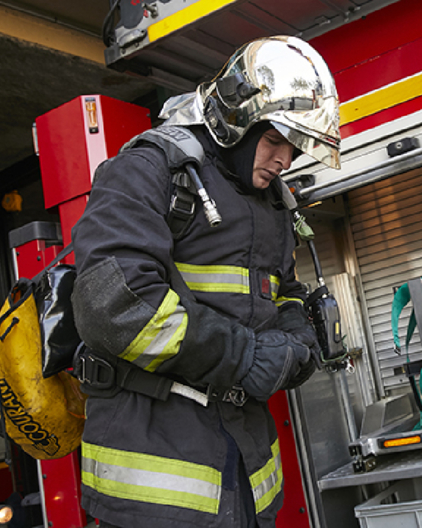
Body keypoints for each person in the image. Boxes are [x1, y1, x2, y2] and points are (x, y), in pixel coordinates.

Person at [69, 35, 340, 528]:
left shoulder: (273, 204)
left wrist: (298, 339)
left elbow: (283, 292)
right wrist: (247, 357)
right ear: (236, 120)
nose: (285, 159)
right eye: (275, 139)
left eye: (295, 148)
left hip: (246, 480)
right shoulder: (148, 171)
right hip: (153, 489)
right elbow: (114, 304)